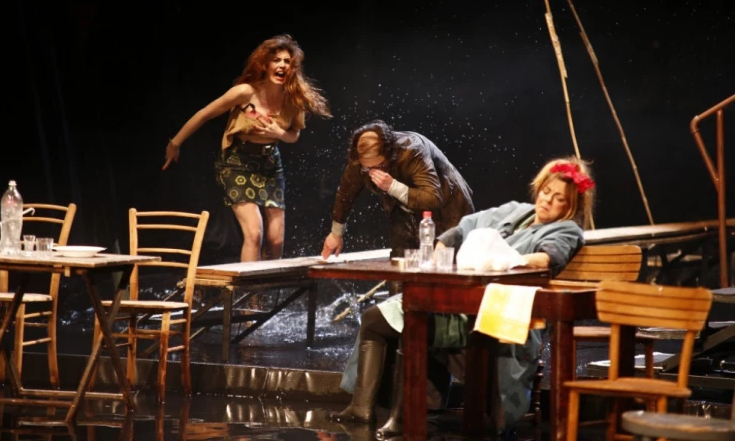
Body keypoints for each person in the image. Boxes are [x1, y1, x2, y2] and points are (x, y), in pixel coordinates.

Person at [330, 156, 595, 438]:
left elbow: (547, 258)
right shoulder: (517, 212)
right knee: (375, 318)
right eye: (546, 191)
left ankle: (408, 416)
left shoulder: (567, 230)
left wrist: (503, 260)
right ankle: (362, 409)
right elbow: (465, 227)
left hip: (499, 313)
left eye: (558, 199)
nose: (547, 200)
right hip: (461, 300)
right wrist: (440, 247)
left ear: (571, 206)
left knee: (414, 320)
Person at [163, 35, 331, 261]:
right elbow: (204, 114)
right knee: (254, 233)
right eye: (276, 60)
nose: (282, 65)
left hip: (270, 165)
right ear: (265, 64)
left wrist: (279, 133)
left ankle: (269, 283)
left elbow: (294, 136)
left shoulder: (294, 99)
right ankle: (251, 285)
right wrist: (175, 143)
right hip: (236, 163)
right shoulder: (245, 92)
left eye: (287, 61)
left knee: (276, 240)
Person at [321, 120, 474, 259]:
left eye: (380, 166)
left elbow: (432, 198)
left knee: (445, 263)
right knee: (401, 261)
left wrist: (392, 186)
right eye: (368, 168)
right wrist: (336, 233)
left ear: (389, 155)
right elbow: (346, 194)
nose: (374, 171)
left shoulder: (412, 150)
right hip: (404, 208)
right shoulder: (360, 159)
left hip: (448, 207)